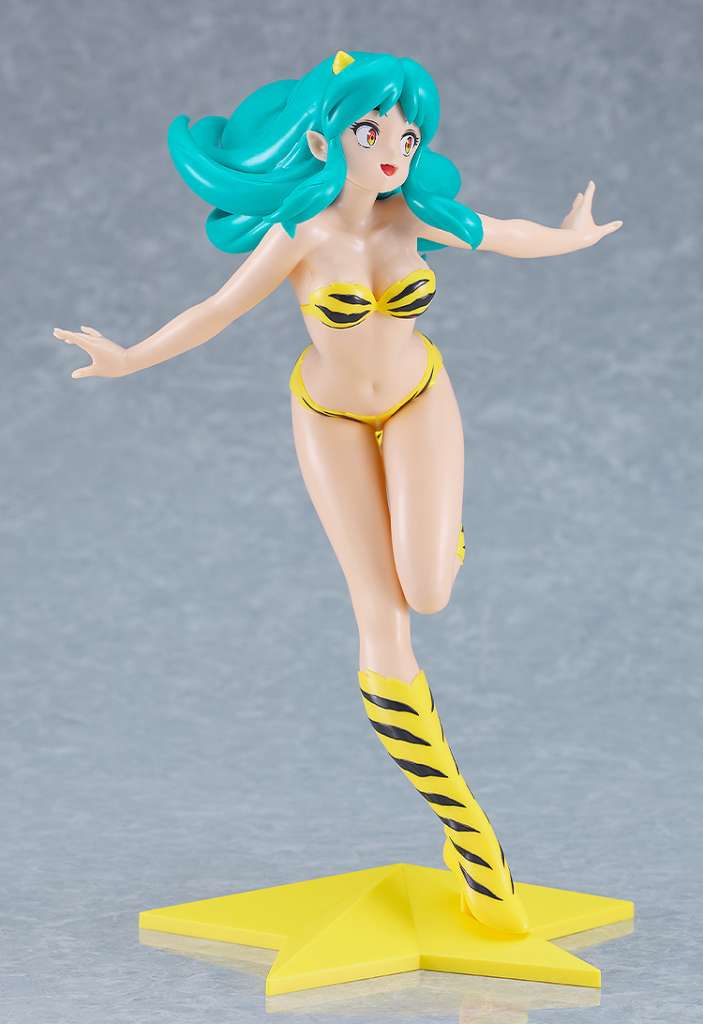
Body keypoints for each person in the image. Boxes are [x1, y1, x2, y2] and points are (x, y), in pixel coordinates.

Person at [53, 48, 622, 936]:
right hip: (328, 419)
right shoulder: (302, 234)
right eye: (370, 130)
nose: (393, 149)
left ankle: (435, 531)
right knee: (382, 621)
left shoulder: (415, 216)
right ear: (324, 141)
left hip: (417, 398)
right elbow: (216, 310)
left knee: (428, 588)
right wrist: (130, 357)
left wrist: (571, 236)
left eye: (407, 134)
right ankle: (473, 845)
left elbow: (503, 233)